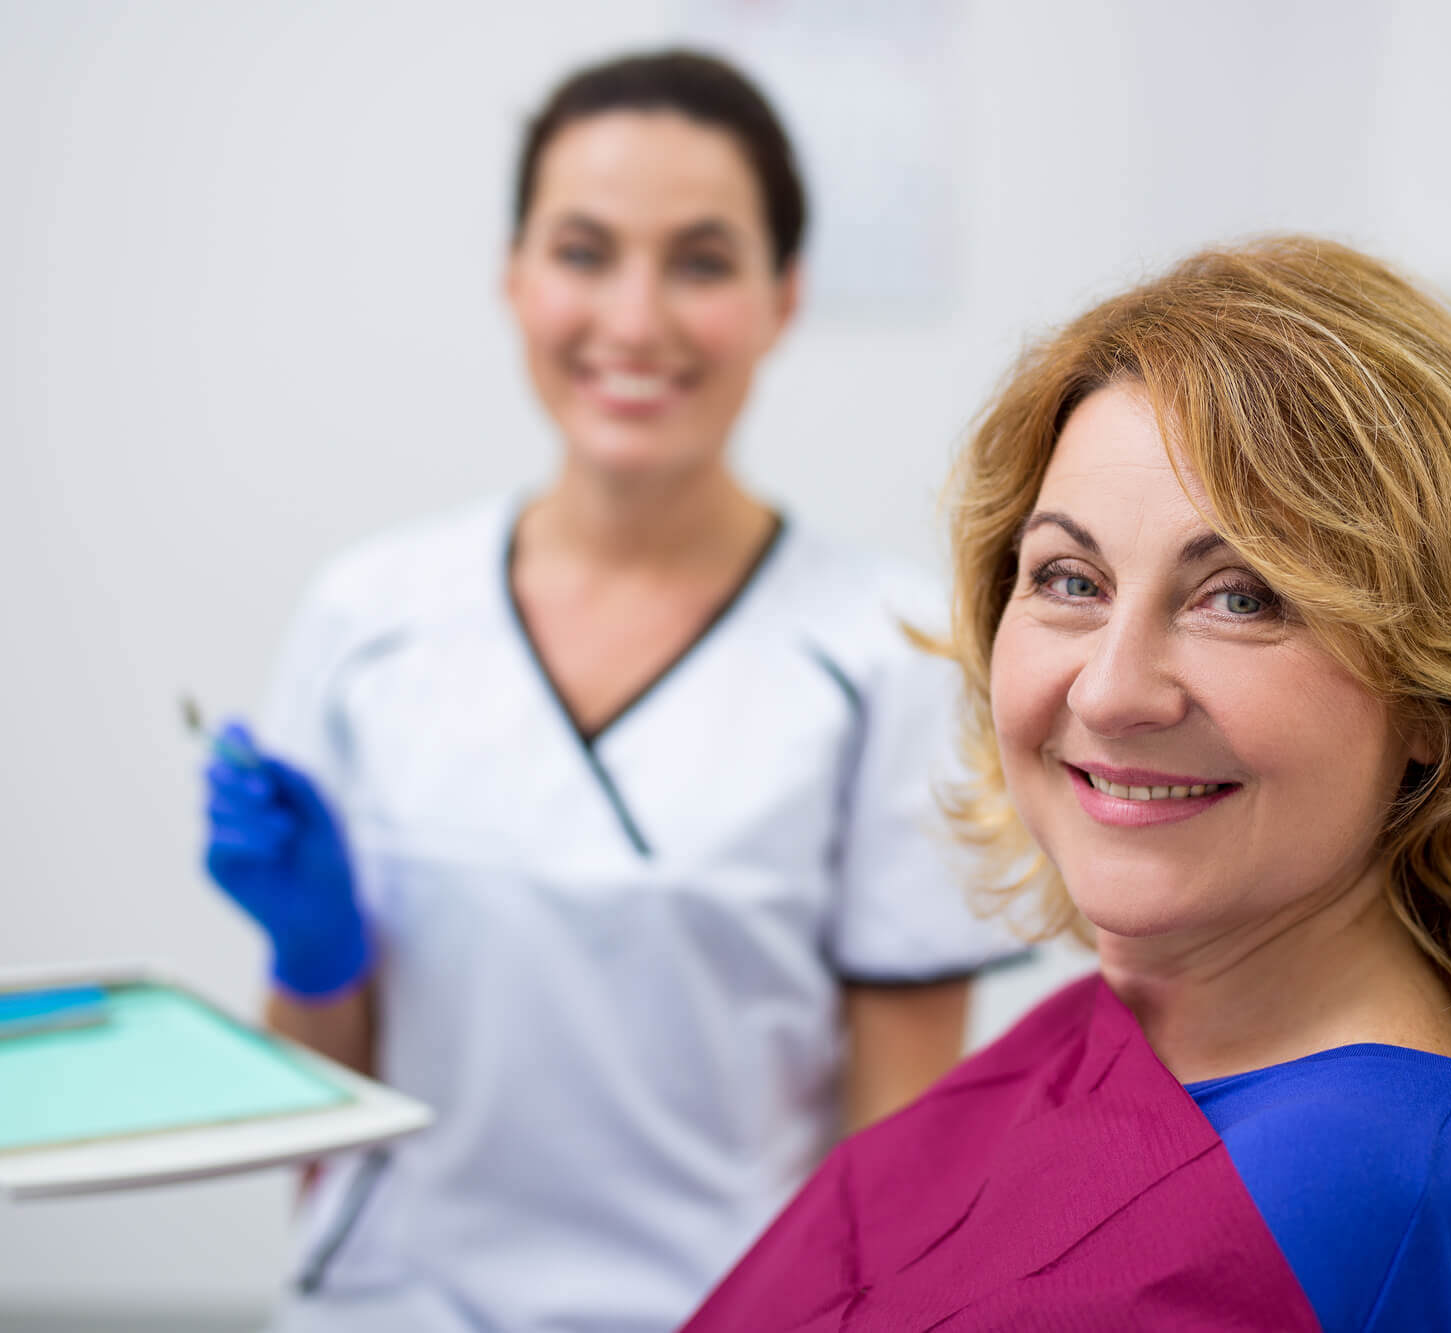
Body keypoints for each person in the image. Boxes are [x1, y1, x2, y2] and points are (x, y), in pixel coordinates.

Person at [682, 236, 1451, 1332]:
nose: (1108, 691)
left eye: (1240, 597)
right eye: (1068, 578)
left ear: (1439, 695)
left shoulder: (1356, 1196)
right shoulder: (1145, 1022)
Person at [199, 49, 1020, 1333]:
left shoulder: (886, 649)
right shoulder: (369, 617)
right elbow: (312, 1121)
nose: (633, 321)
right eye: (583, 253)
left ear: (781, 297)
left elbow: (901, 1141)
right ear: (513, 277)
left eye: (700, 261)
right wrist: (316, 953)